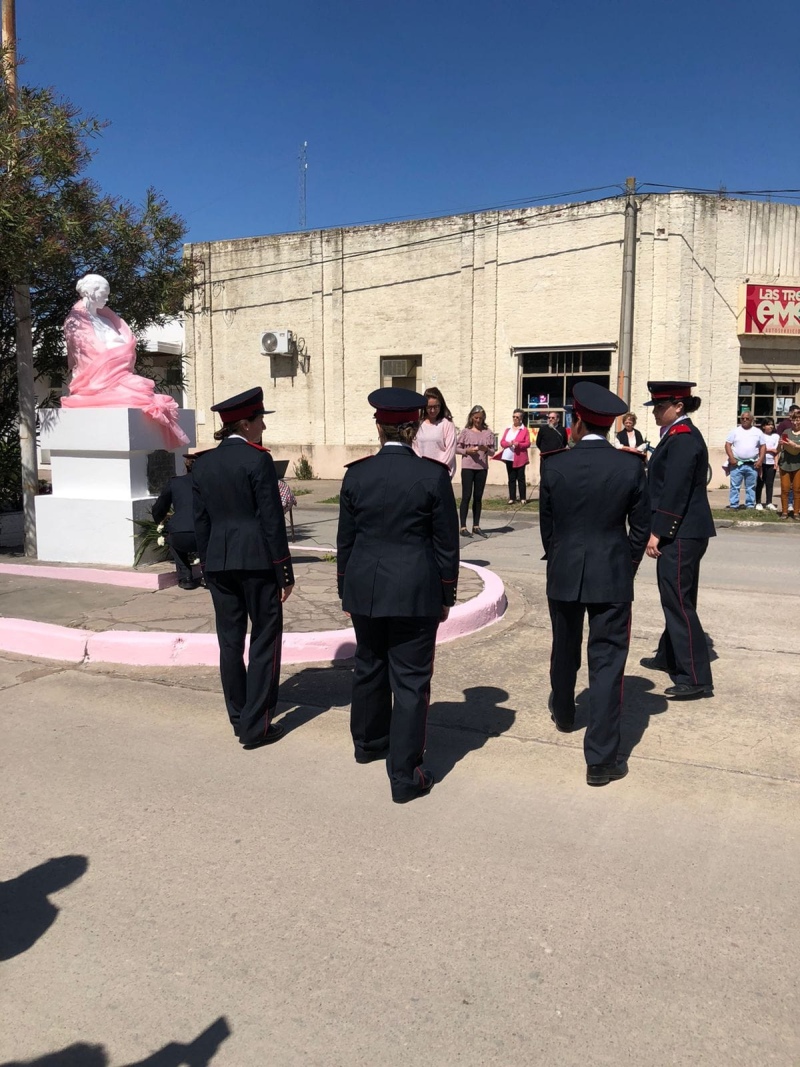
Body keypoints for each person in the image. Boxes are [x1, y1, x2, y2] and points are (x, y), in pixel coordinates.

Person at [337, 387, 460, 804]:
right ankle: (405, 775)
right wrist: (448, 593)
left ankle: (369, 744)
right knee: (409, 680)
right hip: (415, 590)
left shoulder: (357, 474)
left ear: (379, 427)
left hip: (365, 587)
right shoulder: (432, 475)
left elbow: (346, 542)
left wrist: (345, 588)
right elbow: (446, 544)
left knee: (369, 665)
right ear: (412, 429)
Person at [539, 382, 650, 787]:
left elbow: (547, 528)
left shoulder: (554, 464)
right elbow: (640, 528)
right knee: (607, 664)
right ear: (608, 426)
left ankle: (565, 711)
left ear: (577, 420)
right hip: (612, 572)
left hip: (565, 569)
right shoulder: (630, 465)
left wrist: (561, 556)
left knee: (564, 646)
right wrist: (628, 563)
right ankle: (601, 760)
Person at [192, 387, 295, 749]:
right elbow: (271, 519)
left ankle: (239, 715)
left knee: (230, 641)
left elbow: (200, 521)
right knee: (265, 638)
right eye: (261, 419)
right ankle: (257, 724)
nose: (264, 425)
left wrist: (206, 564)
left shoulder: (202, 463)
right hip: (256, 561)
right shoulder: (257, 460)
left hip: (219, 563)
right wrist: (284, 570)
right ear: (247, 424)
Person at [641, 381, 715, 700]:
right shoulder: (675, 435)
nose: (656, 412)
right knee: (677, 597)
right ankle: (668, 656)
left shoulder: (683, 438)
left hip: (682, 531)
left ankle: (695, 676)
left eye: (660, 406)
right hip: (686, 529)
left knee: (679, 601)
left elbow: (676, 489)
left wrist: (659, 531)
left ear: (678, 407)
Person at [62, 274, 188, 449]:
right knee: (138, 391)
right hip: (97, 380)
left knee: (141, 390)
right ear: (90, 292)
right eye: (104, 293)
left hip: (121, 376)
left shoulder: (108, 320)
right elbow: (88, 355)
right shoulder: (75, 322)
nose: (107, 297)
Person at [151, 454, 203, 589]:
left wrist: (159, 521)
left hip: (181, 534)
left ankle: (186, 578)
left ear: (186, 466)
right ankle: (210, 577)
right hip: (204, 532)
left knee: (172, 538)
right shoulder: (210, 483)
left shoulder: (175, 483)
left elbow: (160, 507)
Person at [456, 405, 494, 538]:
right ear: (471, 417)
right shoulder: (466, 432)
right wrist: (466, 451)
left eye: (480, 418)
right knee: (466, 496)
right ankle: (463, 526)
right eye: (476, 418)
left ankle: (476, 525)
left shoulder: (488, 432)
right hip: (468, 467)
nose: (478, 420)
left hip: (482, 468)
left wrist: (485, 449)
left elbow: (493, 452)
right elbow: (456, 448)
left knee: (478, 497)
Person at [412, 386, 457, 477]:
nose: (432, 410)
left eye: (436, 406)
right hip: (421, 472)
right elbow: (415, 447)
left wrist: (438, 469)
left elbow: (450, 451)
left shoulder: (447, 424)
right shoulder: (418, 424)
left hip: (441, 472)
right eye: (429, 407)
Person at [724, 411, 765, 509]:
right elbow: (727, 444)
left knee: (751, 486)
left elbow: (763, 446)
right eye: (742, 418)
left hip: (752, 464)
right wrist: (731, 458)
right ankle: (734, 505)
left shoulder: (758, 432)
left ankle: (750, 505)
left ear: (751, 420)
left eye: (747, 418)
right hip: (737, 464)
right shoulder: (735, 431)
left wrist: (760, 460)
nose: (744, 420)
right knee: (735, 486)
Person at [498, 409, 531, 503]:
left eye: (517, 417)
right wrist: (508, 443)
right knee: (511, 477)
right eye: (514, 416)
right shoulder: (508, 429)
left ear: (521, 418)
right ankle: (512, 498)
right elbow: (502, 442)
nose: (515, 419)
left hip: (520, 457)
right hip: (509, 456)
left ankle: (523, 498)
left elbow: (527, 443)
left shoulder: (524, 430)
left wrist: (519, 444)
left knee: (521, 477)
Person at [776, 408, 800, 520]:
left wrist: (794, 445)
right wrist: (780, 444)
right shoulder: (786, 432)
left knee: (797, 489)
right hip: (785, 463)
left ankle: (796, 513)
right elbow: (779, 449)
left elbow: (795, 447)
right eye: (794, 420)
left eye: (798, 420)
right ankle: (784, 512)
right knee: (785, 489)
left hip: (798, 464)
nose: (795, 422)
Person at [755, 418, 779, 512]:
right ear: (764, 426)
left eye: (772, 424)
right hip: (761, 462)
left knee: (770, 483)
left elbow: (776, 451)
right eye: (768, 424)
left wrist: (776, 462)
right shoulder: (760, 435)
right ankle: (758, 502)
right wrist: (769, 450)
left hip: (771, 462)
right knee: (760, 483)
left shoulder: (776, 436)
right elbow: (758, 449)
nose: (771, 426)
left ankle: (769, 502)